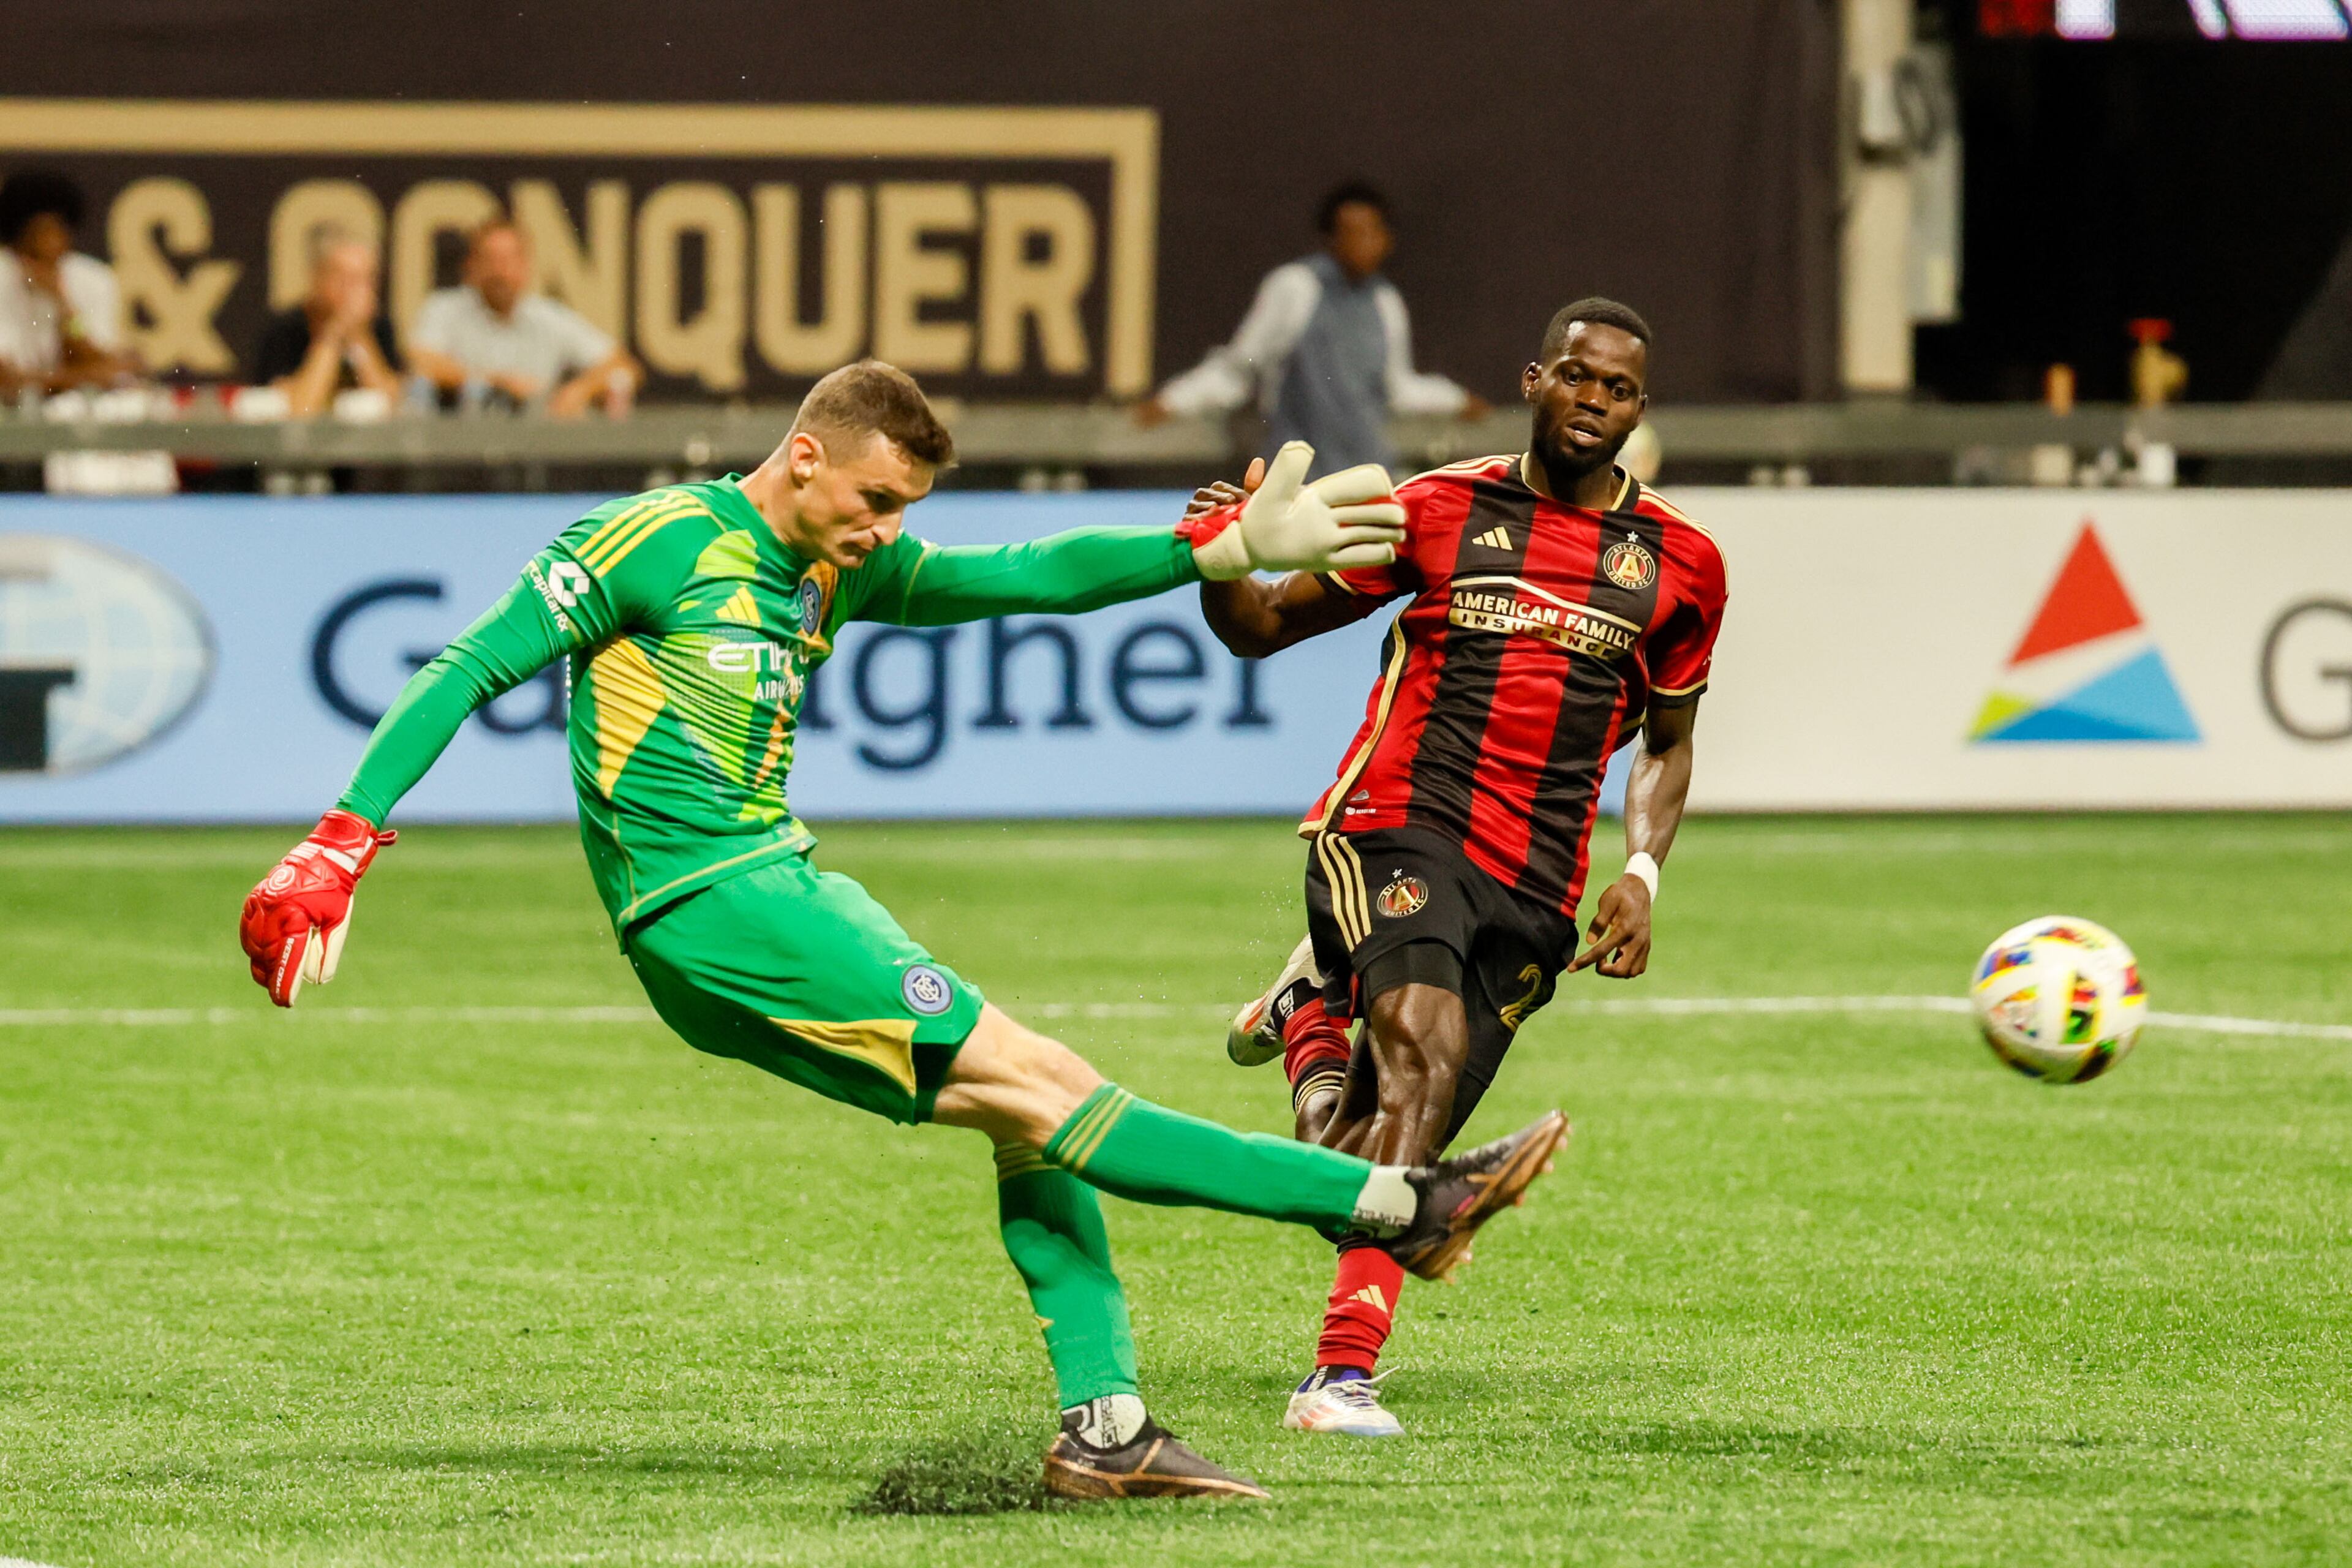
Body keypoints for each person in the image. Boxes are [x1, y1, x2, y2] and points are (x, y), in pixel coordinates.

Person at [236, 359, 1567, 1501]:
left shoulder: (832, 567)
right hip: (716, 908)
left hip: (786, 888)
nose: (885, 530)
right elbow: (465, 663)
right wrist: (341, 838)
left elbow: (1024, 574)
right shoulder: (655, 538)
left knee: (1022, 1108)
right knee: (1052, 1090)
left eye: (903, 510)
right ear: (803, 457)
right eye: (874, 499)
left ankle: (1105, 1428)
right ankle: (1405, 1199)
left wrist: (1207, 552)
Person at [1196, 298, 1725, 1438]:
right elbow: (1261, 628)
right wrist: (1222, 560)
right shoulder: (1433, 510)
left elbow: (1670, 743)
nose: (1595, 402)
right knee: (1426, 1056)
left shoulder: (1682, 565)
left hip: (1535, 886)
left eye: (1619, 389)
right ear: (1534, 380)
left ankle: (1304, 1022)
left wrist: (1641, 871)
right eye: (1577, 378)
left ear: (1641, 408)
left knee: (1385, 1149)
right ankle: (1339, 1381)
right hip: (1398, 824)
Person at [1137, 182, 1491, 477]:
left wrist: (1456, 400)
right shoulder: (1296, 287)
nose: (1363, 242)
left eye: (1371, 232)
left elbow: (1395, 387)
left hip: (1365, 476)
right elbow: (1240, 369)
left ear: (1387, 240)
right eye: (1351, 233)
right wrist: (1175, 401)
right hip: (1296, 480)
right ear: (1331, 239)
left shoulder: (1386, 301)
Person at [407, 217, 638, 417]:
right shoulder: (445, 308)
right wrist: (498, 383)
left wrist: (579, 391)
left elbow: (622, 366)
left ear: (526, 266)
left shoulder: (548, 316)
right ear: (472, 266)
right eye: (491, 260)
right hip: (456, 443)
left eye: (509, 261)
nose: (501, 272)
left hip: (535, 447)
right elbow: (423, 362)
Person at [0, 170, 136, 396]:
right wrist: (87, 377)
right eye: (40, 230)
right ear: (19, 234)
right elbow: (7, 380)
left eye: (58, 229)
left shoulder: (93, 278)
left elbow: (97, 361)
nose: (52, 241)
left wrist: (62, 304)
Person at [254, 228, 403, 417]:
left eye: (367, 279)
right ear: (318, 277)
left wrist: (359, 337)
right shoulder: (285, 330)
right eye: (348, 279)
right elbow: (301, 409)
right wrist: (333, 335)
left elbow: (390, 405)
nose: (358, 291)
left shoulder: (380, 328)